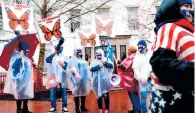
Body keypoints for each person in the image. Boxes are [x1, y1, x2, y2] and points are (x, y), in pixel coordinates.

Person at [149, 0, 194, 112]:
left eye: (191, 6)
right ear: (174, 7)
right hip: (173, 103)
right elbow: (161, 64)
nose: (190, 10)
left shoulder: (190, 32)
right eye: (186, 6)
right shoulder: (169, 27)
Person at [4, 42, 34, 113]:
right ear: (22, 49)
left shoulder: (25, 57)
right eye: (26, 50)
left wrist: (32, 64)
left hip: (26, 80)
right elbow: (14, 66)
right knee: (19, 94)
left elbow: (26, 67)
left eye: (28, 50)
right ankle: (19, 109)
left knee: (26, 94)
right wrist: (19, 58)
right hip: (19, 79)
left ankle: (25, 109)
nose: (27, 52)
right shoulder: (16, 56)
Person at [45, 37, 69, 113]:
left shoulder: (65, 56)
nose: (59, 48)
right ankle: (53, 107)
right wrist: (52, 55)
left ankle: (64, 107)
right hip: (53, 77)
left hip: (63, 77)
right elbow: (47, 60)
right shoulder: (52, 55)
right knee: (52, 93)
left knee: (64, 93)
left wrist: (63, 65)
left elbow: (68, 66)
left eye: (60, 47)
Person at [117, 46, 141, 113]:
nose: (127, 51)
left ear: (131, 51)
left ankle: (137, 110)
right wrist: (119, 62)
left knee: (133, 95)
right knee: (133, 94)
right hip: (133, 79)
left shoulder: (131, 57)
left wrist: (118, 64)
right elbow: (127, 65)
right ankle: (135, 109)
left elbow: (124, 68)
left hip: (131, 80)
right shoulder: (135, 57)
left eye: (128, 50)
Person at [90, 49, 113, 113]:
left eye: (100, 53)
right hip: (97, 82)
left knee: (106, 95)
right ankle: (100, 108)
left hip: (105, 82)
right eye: (97, 53)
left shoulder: (106, 59)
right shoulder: (93, 61)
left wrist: (105, 63)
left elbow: (111, 66)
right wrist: (98, 66)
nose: (98, 55)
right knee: (98, 96)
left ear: (102, 53)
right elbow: (91, 69)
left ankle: (107, 108)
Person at [132, 40, 152, 113]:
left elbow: (153, 65)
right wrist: (140, 78)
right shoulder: (137, 56)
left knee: (152, 96)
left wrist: (151, 74)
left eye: (141, 45)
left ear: (145, 46)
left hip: (151, 79)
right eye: (138, 45)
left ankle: (151, 110)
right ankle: (144, 111)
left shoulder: (150, 54)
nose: (140, 47)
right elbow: (135, 68)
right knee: (143, 96)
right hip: (142, 80)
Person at [68, 47, 90, 113]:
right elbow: (71, 68)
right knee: (76, 94)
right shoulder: (72, 59)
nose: (79, 52)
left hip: (83, 80)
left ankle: (82, 107)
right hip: (75, 80)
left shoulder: (82, 60)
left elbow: (86, 70)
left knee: (84, 93)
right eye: (78, 51)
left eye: (80, 51)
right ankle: (77, 108)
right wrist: (76, 73)